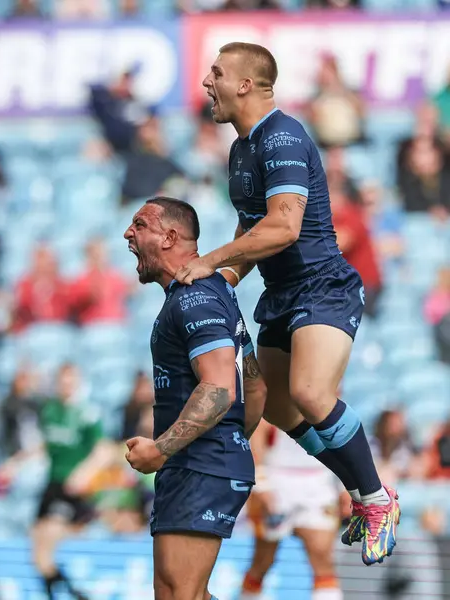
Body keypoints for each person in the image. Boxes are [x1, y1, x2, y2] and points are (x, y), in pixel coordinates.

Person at [175, 42, 400, 566]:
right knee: (274, 405)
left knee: (309, 391)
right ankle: (363, 492)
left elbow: (284, 226)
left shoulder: (283, 135)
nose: (208, 82)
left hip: (323, 286)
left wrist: (210, 261)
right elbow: (251, 229)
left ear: (246, 84)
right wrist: (224, 276)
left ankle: (376, 499)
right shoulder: (239, 150)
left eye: (217, 73)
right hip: (283, 295)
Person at [123, 196, 266, 600]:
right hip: (202, 463)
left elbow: (221, 389)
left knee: (180, 594)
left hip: (200, 465)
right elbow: (255, 388)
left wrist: (161, 450)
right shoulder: (210, 290)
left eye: (139, 225)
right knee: (178, 593)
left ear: (169, 237)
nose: (127, 233)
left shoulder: (194, 298)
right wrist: (232, 445)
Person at [25, 363, 114, 600]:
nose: (66, 385)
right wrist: (15, 464)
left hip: (73, 490)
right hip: (51, 486)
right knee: (38, 556)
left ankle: (76, 594)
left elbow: (104, 451)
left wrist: (84, 473)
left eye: (70, 381)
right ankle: (74, 593)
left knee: (47, 543)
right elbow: (47, 444)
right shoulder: (50, 410)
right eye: (62, 381)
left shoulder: (86, 413)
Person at [240, 420, 343, 600]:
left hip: (318, 482)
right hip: (277, 481)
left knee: (323, 559)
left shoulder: (332, 393)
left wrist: (346, 487)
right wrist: (261, 483)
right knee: (263, 561)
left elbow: (341, 433)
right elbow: (256, 434)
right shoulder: (271, 393)